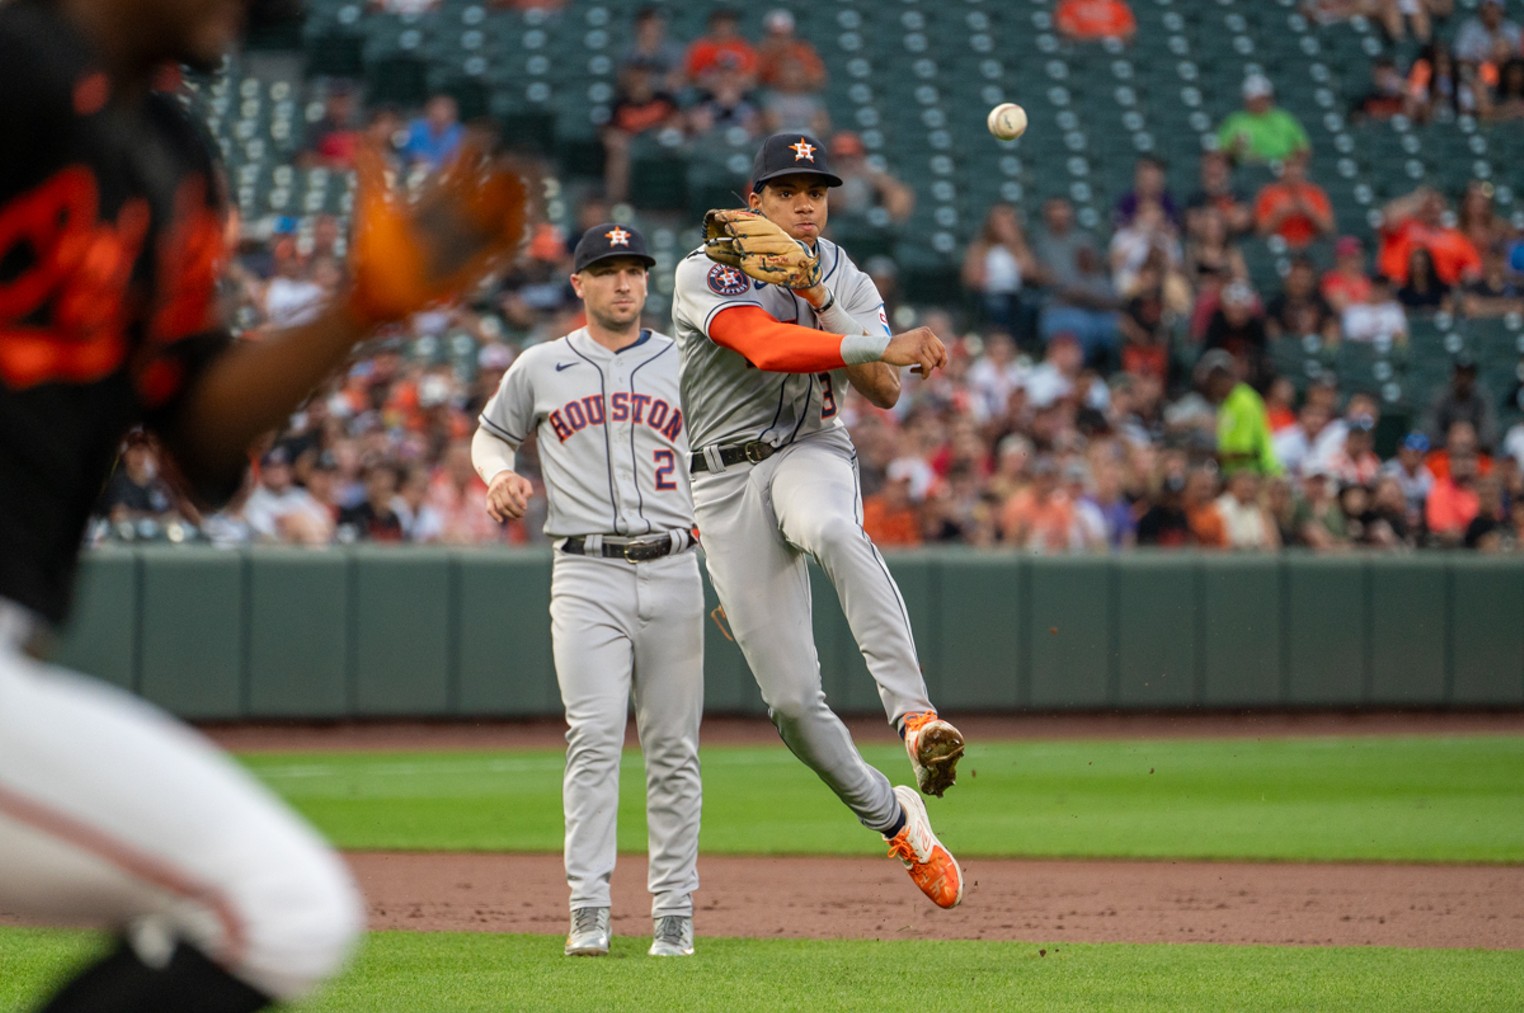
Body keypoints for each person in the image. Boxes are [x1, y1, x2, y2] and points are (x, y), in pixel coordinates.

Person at [0, 0, 526, 1008]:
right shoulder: (15, 68)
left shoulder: (169, 157)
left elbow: (199, 439)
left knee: (274, 903)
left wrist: (358, 313)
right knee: (274, 902)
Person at [670, 132, 965, 909]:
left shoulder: (840, 268)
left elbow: (885, 391)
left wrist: (829, 299)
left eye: (818, 189)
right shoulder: (701, 270)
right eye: (788, 188)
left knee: (834, 528)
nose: (806, 202)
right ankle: (896, 818)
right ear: (754, 200)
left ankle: (915, 717)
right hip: (723, 482)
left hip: (809, 448)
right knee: (794, 707)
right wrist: (874, 336)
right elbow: (763, 347)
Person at [474, 224, 704, 958]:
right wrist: (497, 475)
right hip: (585, 570)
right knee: (594, 735)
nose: (624, 283)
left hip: (676, 563)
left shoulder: (687, 362)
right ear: (579, 284)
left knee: (673, 748)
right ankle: (589, 907)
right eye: (607, 270)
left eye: (634, 269)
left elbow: (724, 470)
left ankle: (673, 911)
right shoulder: (542, 365)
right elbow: (489, 436)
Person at [1215, 74, 1311, 165]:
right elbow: (1221, 154)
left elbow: (1303, 149)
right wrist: (1235, 149)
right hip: (1246, 170)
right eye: (1256, 99)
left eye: (1264, 98)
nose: (1261, 102)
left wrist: (1291, 166)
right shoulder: (1235, 121)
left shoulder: (1284, 119)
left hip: (1281, 171)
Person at [1252, 150, 1335, 251]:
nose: (1294, 171)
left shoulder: (1315, 193)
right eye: (1290, 167)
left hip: (1309, 248)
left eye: (1298, 167)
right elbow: (1260, 232)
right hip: (1277, 248)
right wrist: (1279, 215)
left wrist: (1310, 212)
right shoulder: (1268, 193)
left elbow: (1329, 230)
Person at [1054, 0, 1138, 43]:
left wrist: (1107, 36)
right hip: (1081, 47)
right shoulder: (1071, 4)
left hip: (1111, 45)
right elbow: (1065, 28)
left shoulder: (1115, 5)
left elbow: (1128, 30)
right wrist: (1093, 38)